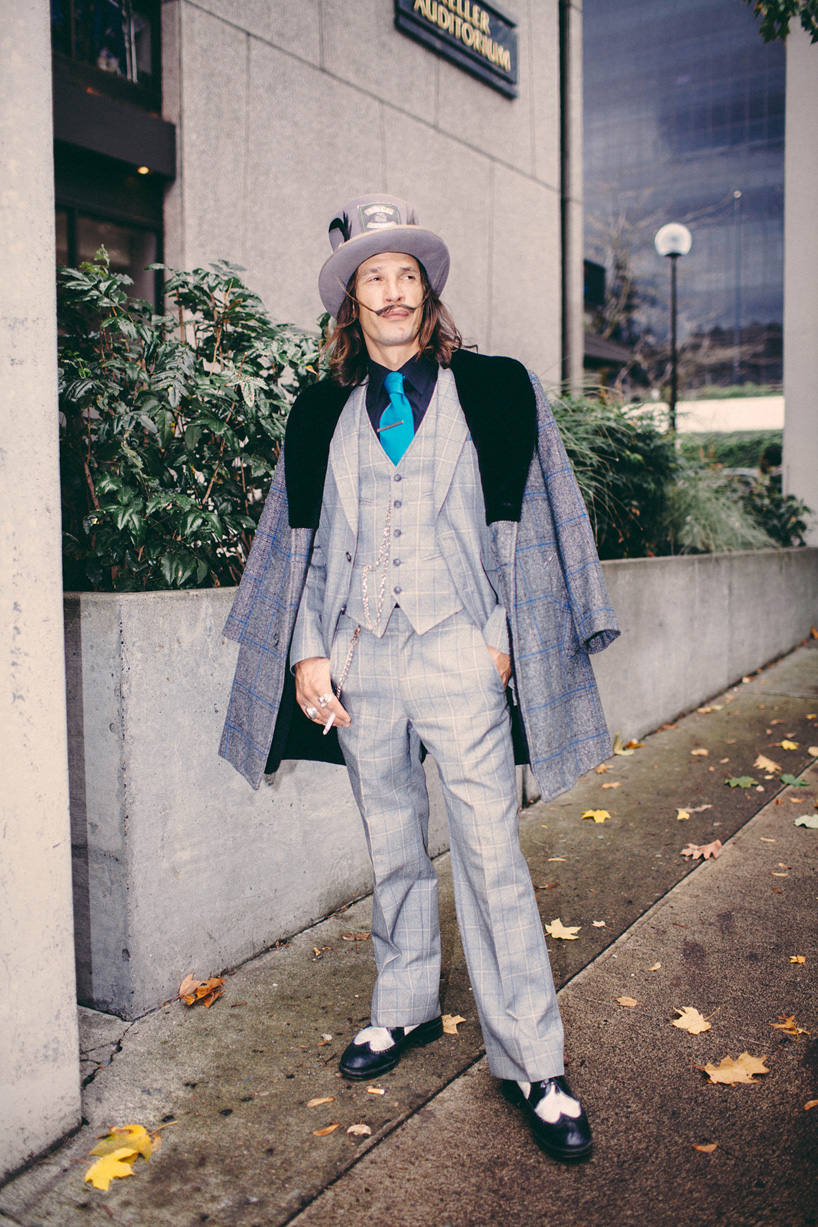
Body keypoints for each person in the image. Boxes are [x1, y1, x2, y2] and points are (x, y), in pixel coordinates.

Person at [219, 195, 619, 1161]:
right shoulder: (321, 412)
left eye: (406, 276)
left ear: (427, 294)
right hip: (361, 655)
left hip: (459, 651)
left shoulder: (494, 388)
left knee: (490, 853)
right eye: (373, 279)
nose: (392, 294)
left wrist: (503, 635)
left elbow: (534, 523)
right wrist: (310, 650)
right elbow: (302, 548)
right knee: (391, 838)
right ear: (350, 303)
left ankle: (533, 1058)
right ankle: (404, 1006)